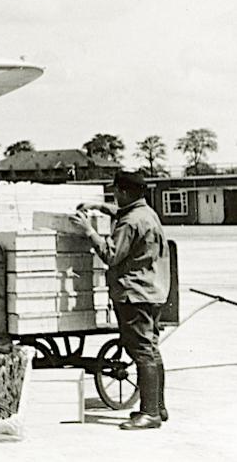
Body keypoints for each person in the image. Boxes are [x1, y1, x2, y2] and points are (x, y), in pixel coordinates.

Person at [71, 171, 169, 430]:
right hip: (151, 291)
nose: (114, 195)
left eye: (115, 192)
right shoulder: (146, 213)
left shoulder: (130, 223)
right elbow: (123, 214)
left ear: (124, 193)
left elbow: (110, 255)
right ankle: (157, 405)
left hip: (133, 294)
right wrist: (99, 207)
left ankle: (150, 414)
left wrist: (89, 231)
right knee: (150, 348)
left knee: (141, 351)